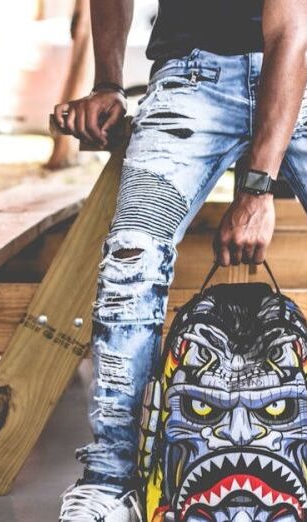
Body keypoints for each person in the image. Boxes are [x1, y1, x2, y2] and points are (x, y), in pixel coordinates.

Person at [54, 1, 307, 520]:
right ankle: (110, 480)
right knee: (131, 258)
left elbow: (291, 27)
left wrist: (257, 190)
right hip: (192, 75)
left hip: (298, 70)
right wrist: (109, 84)